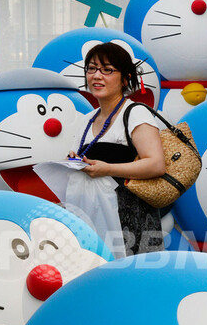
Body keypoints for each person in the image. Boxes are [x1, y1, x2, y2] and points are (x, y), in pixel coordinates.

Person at [68, 42, 166, 255]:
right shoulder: (86, 119)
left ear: (125, 79)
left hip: (132, 222)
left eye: (107, 70)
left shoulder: (136, 112)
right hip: (92, 217)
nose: (97, 76)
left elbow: (156, 164)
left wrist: (107, 169)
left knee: (134, 274)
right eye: (91, 69)